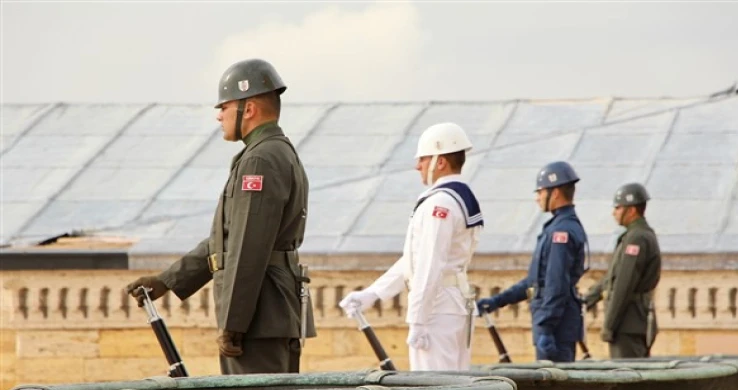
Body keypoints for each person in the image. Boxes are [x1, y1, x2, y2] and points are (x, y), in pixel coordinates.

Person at [125, 58, 315, 374]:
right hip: (266, 313)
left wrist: (234, 322)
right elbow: (226, 239)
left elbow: (247, 247)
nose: (219, 116)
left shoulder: (261, 161)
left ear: (249, 108)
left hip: (258, 318)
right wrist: (168, 280)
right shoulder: (270, 153)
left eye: (224, 107)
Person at [339, 122, 484, 371]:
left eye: (424, 159)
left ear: (440, 162)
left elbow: (430, 264)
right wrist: (374, 293)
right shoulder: (458, 197)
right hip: (449, 304)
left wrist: (418, 319)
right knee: (454, 387)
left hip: (437, 308)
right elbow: (415, 260)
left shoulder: (440, 203)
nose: (418, 165)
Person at [477, 161, 588, 362]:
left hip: (555, 330)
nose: (537, 198)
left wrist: (545, 326)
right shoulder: (557, 227)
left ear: (554, 193)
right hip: (553, 327)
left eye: (540, 191)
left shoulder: (560, 232)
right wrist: (497, 301)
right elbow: (534, 283)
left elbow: (557, 285)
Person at [583, 182, 661, 358]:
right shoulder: (634, 236)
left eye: (618, 208)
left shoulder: (637, 238)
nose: (614, 212)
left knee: (627, 379)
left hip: (628, 324)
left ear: (631, 210)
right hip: (630, 322)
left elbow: (623, 286)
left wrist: (609, 325)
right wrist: (586, 300)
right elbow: (612, 277)